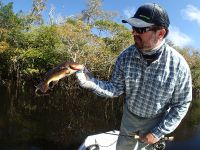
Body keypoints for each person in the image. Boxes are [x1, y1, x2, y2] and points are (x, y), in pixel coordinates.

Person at [72, 3, 192, 150]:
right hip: (130, 118)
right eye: (133, 27)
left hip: (156, 121)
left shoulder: (179, 65)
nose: (133, 32)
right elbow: (115, 89)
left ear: (161, 33)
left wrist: (157, 132)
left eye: (140, 29)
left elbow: (181, 104)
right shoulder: (125, 57)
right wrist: (89, 82)